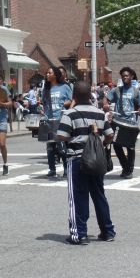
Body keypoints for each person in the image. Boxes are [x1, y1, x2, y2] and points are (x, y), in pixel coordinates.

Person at [57, 81, 115, 245]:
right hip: (96, 159)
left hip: (77, 159)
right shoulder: (98, 113)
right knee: (99, 195)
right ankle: (107, 231)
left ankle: (79, 234)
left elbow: (62, 135)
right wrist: (100, 144)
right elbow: (110, 135)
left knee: (77, 197)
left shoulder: (70, 114)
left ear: (73, 96)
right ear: (90, 95)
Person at [103, 66, 140, 179]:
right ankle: (126, 167)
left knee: (130, 147)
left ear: (131, 77)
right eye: (122, 76)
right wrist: (106, 105)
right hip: (117, 122)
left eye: (126, 76)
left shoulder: (136, 92)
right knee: (116, 145)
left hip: (131, 123)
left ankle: (129, 170)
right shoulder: (117, 90)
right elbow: (106, 99)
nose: (124, 77)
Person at [41, 66, 73, 177]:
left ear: (55, 74)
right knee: (50, 146)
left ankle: (66, 168)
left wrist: (64, 104)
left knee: (62, 146)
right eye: (47, 73)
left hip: (61, 119)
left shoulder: (64, 87)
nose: (47, 75)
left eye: (49, 73)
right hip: (48, 120)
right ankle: (52, 169)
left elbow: (72, 100)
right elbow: (44, 103)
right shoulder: (46, 89)